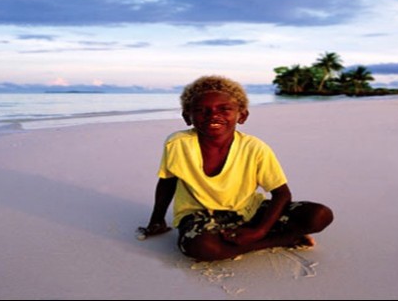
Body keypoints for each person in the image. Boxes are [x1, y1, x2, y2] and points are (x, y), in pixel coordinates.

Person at [137, 75, 333, 261]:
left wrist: (259, 230)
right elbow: (168, 181)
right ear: (187, 117)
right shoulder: (178, 144)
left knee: (319, 215)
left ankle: (252, 238)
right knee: (200, 247)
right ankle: (281, 240)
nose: (213, 115)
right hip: (200, 215)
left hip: (249, 210)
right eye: (201, 110)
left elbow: (281, 194)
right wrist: (157, 220)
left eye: (224, 109)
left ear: (242, 115)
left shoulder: (255, 148)